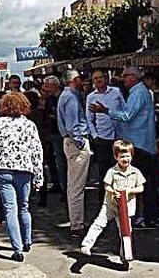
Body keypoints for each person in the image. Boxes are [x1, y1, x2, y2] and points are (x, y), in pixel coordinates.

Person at [93, 66, 159, 227]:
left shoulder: (137, 92)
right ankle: (152, 216)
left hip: (139, 144)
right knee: (148, 183)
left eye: (124, 76)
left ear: (133, 77)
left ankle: (145, 217)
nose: (122, 80)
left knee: (141, 183)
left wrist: (106, 111)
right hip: (145, 142)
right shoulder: (142, 91)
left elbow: (127, 116)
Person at [0, 91, 43, 262]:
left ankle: (16, 248)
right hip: (25, 171)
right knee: (24, 207)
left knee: (10, 209)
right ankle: (27, 240)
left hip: (3, 171)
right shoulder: (30, 125)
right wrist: (39, 178)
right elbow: (37, 152)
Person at [80, 140, 145, 259]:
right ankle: (86, 244)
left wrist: (129, 191)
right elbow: (106, 186)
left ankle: (125, 256)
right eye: (122, 156)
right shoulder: (112, 171)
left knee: (126, 232)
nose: (125, 159)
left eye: (128, 156)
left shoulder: (135, 172)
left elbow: (141, 187)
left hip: (126, 209)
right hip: (110, 205)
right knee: (99, 224)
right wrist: (113, 192)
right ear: (116, 157)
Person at [57, 70, 91, 237]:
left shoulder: (65, 96)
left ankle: (76, 221)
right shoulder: (70, 97)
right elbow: (72, 125)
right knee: (77, 186)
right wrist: (80, 141)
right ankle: (77, 224)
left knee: (74, 184)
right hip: (75, 142)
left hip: (71, 141)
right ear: (75, 80)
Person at [86, 69, 124, 197]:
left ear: (105, 78)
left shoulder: (116, 92)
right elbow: (89, 120)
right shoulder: (91, 97)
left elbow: (124, 111)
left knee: (120, 169)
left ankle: (120, 197)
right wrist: (95, 135)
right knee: (104, 171)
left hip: (118, 136)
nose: (98, 80)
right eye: (95, 79)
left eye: (100, 77)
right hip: (102, 138)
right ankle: (104, 199)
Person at [42, 75, 67, 199]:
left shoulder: (63, 97)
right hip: (51, 132)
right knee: (52, 161)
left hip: (60, 133)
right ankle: (57, 184)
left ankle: (64, 189)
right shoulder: (49, 99)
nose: (46, 88)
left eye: (47, 86)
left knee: (61, 162)